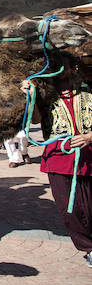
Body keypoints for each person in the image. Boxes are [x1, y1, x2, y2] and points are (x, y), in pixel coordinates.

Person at [23, 58, 92, 267]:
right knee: (69, 210)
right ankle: (88, 247)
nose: (63, 71)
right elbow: (35, 120)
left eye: (66, 66)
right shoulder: (45, 95)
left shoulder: (89, 88)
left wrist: (89, 137)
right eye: (57, 68)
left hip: (89, 155)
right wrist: (30, 96)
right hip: (59, 159)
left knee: (90, 207)